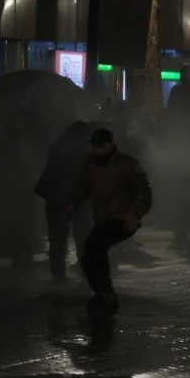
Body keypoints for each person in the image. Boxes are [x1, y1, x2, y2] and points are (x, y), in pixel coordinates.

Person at [68, 128, 152, 312]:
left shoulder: (127, 164)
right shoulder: (89, 162)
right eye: (95, 146)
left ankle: (105, 292)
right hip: (102, 218)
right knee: (91, 256)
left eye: (102, 146)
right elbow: (84, 186)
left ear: (111, 144)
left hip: (123, 219)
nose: (98, 150)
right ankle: (103, 292)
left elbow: (143, 192)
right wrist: (73, 202)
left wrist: (135, 213)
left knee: (95, 250)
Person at [35, 121, 93, 281]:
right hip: (74, 201)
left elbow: (41, 186)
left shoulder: (58, 152)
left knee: (59, 239)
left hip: (59, 201)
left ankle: (58, 274)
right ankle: (81, 271)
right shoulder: (83, 155)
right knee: (81, 237)